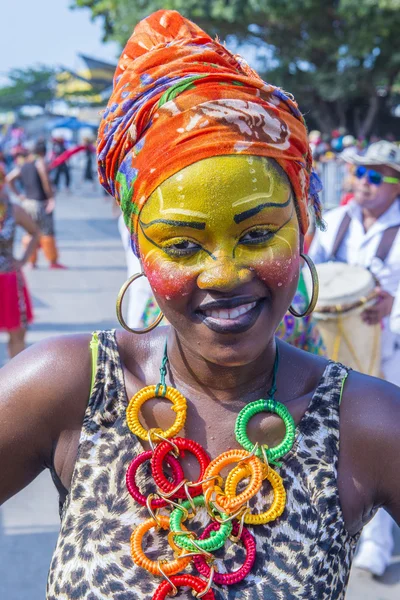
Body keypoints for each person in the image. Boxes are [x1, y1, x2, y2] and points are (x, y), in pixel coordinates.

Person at [1, 11, 400, 600]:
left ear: (304, 226)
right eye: (183, 245)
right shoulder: (69, 386)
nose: (224, 274)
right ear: (139, 246)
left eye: (260, 234)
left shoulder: (366, 422)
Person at [309, 139, 400, 577]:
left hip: (391, 352)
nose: (362, 184)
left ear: (396, 185)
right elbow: (313, 273)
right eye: (358, 175)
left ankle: (378, 545)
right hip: (335, 352)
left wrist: (392, 306)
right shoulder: (340, 219)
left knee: (382, 444)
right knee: (337, 443)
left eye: (374, 176)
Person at [7, 141, 66, 269]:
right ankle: (52, 261)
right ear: (42, 152)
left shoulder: (24, 164)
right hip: (40, 203)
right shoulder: (40, 162)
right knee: (46, 232)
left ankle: (31, 261)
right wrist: (51, 198)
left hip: (27, 203)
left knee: (30, 232)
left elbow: (9, 178)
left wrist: (19, 195)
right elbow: (45, 179)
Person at [0, 166, 39, 358]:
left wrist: (23, 260)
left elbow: (35, 232)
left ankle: (12, 384)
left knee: (17, 333)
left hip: (8, 279)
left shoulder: (12, 210)